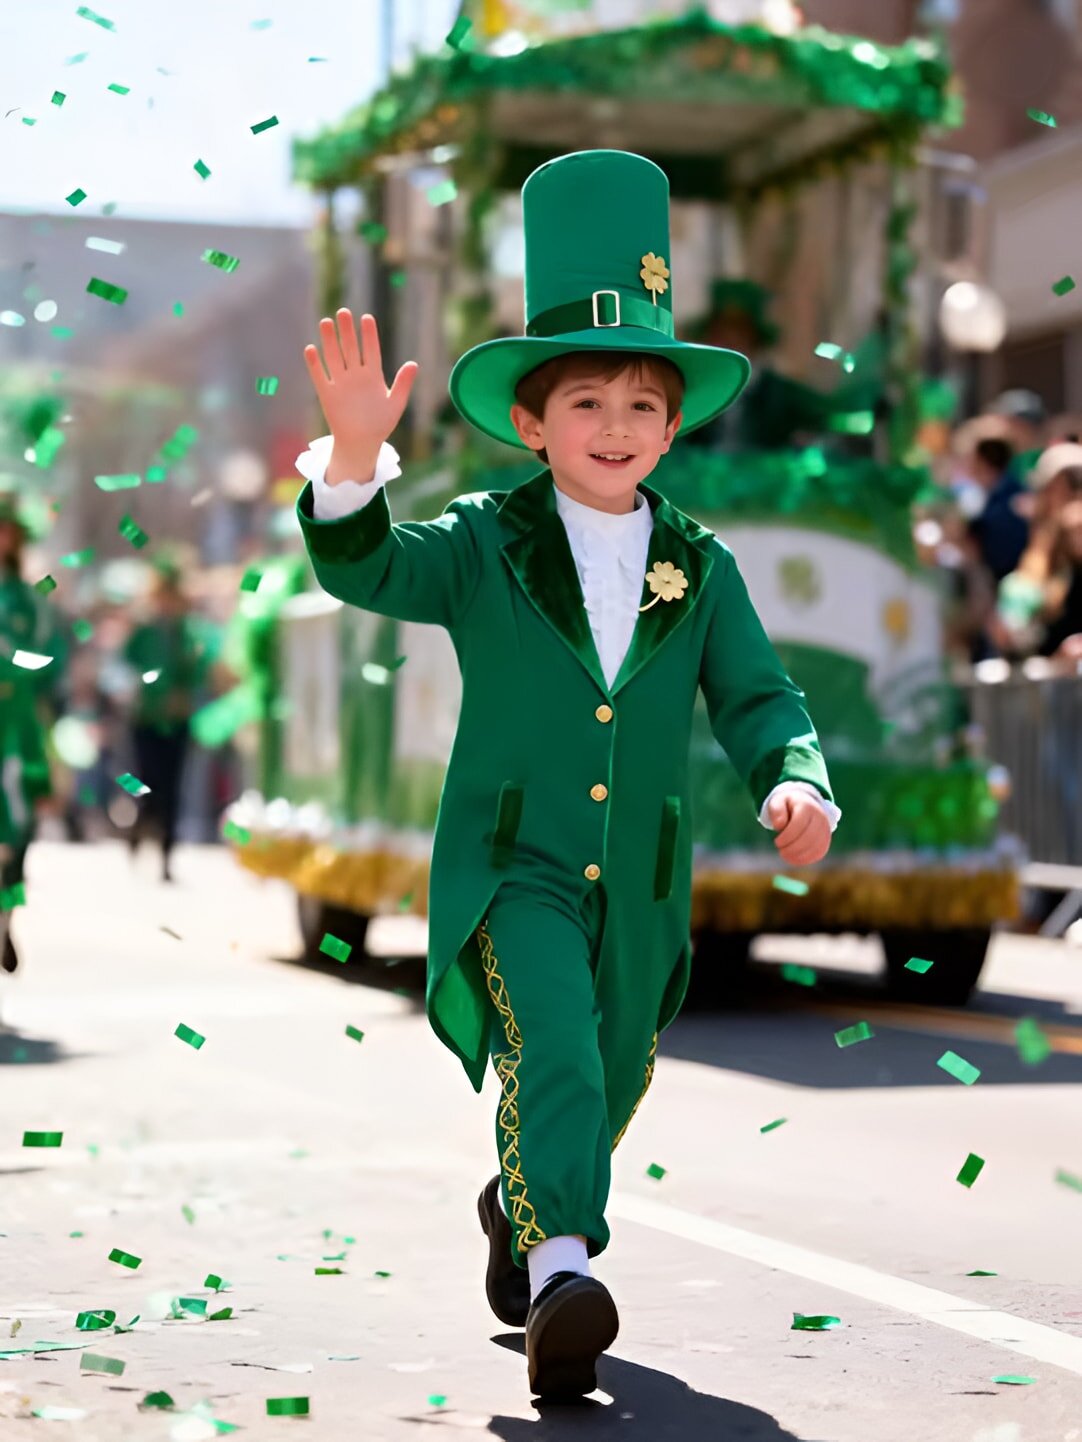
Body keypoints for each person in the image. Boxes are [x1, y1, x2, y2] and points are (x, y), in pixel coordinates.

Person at [295, 150, 839, 1402]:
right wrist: (351, 462)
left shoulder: (697, 565)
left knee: (615, 1064)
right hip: (512, 862)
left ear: (673, 424)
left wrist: (791, 779)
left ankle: (520, 1200)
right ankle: (561, 1279)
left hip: (640, 878)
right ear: (531, 424)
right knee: (554, 1048)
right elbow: (365, 568)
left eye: (640, 406)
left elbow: (758, 695)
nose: (614, 429)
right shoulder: (485, 540)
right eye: (583, 405)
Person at [0, 490, 66, 977]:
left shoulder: (30, 600)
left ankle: (6, 918)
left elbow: (45, 657)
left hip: (17, 729)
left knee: (16, 838)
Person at [121, 557, 215, 882]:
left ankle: (165, 854)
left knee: (173, 788)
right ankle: (139, 828)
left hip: (176, 722)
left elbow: (201, 670)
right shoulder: (144, 629)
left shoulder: (190, 632)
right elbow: (124, 665)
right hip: (147, 719)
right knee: (148, 783)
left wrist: (188, 696)